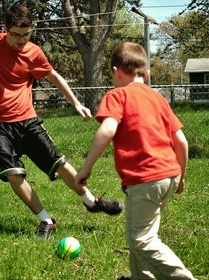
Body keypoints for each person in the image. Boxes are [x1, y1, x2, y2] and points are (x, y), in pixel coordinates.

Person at [0, 4, 123, 240]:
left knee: (60, 164)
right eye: (16, 35)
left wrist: (76, 103)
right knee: (13, 175)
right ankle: (46, 220)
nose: (21, 40)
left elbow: (54, 77)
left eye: (26, 34)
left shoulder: (33, 52)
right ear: (5, 29)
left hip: (27, 122)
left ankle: (91, 201)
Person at [75, 42, 196, 279]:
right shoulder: (158, 98)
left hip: (145, 179)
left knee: (142, 239)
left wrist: (85, 168)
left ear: (115, 71)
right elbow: (181, 141)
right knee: (140, 232)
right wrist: (180, 177)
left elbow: (107, 130)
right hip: (169, 176)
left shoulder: (117, 95)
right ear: (146, 73)